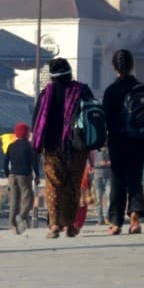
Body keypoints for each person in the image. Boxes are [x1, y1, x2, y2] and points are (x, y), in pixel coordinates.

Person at [31, 57, 94, 239]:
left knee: (54, 185)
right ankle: (71, 226)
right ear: (69, 72)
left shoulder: (46, 93)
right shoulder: (82, 90)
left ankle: (54, 225)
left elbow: (36, 121)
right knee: (73, 186)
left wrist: (38, 144)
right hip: (77, 146)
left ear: (52, 76)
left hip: (51, 146)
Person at [101, 49, 144, 235]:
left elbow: (104, 119)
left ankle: (115, 223)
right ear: (132, 65)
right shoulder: (142, 89)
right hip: (139, 140)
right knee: (135, 178)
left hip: (117, 141)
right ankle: (135, 219)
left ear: (114, 66)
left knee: (118, 180)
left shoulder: (111, 91)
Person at [2, 121, 39, 235]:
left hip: (12, 176)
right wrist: (37, 175)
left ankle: (13, 226)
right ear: (26, 133)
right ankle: (21, 216)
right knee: (29, 198)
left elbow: (5, 162)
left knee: (14, 201)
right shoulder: (30, 146)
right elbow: (34, 162)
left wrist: (7, 174)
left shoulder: (11, 146)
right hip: (24, 176)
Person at [90, 151, 111, 225]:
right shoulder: (94, 150)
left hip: (109, 176)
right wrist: (99, 163)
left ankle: (108, 217)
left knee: (110, 198)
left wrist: (110, 162)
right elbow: (90, 163)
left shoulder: (110, 148)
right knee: (98, 200)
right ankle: (100, 219)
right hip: (97, 176)